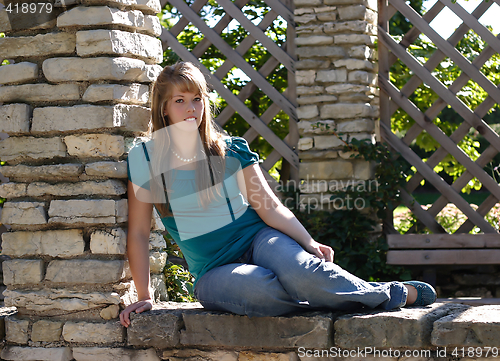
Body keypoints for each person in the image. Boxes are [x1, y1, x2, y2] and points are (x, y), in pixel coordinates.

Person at [119, 62, 436, 328]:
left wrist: (308, 242)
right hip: (213, 271)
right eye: (180, 101)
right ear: (162, 108)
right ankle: (345, 293)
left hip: (259, 239)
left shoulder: (228, 150)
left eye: (197, 99)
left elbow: (268, 205)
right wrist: (145, 295)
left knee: (303, 273)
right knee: (261, 293)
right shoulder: (146, 160)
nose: (191, 109)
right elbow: (138, 232)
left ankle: (388, 294)